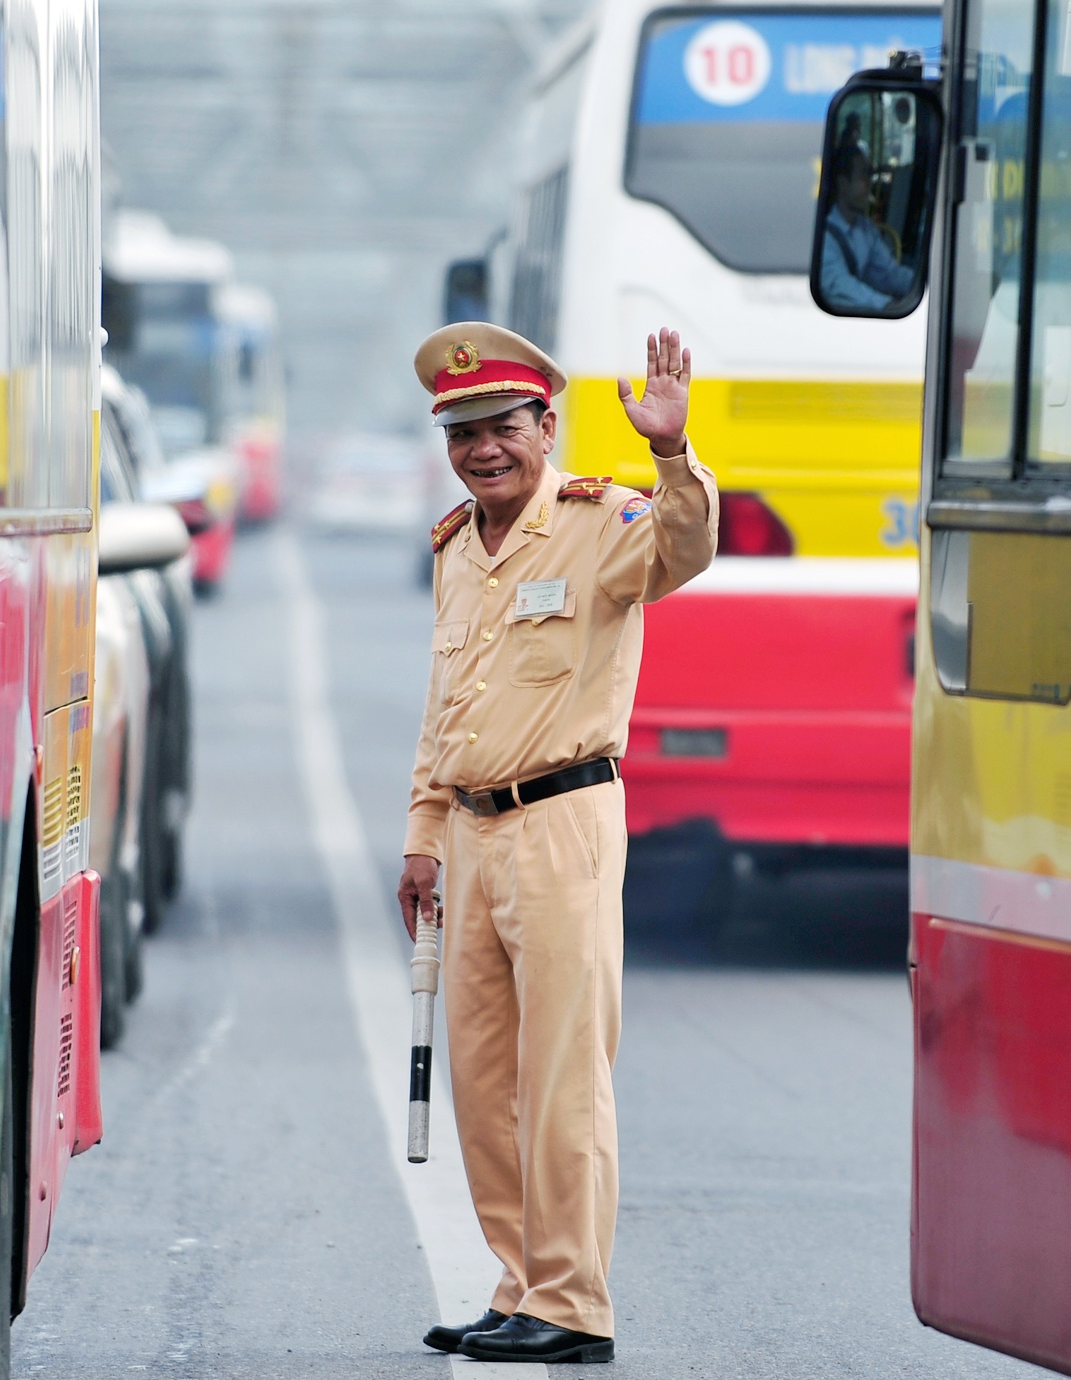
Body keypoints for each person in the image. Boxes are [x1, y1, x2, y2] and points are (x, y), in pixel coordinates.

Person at [396, 321, 717, 1363]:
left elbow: (685, 546)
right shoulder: (456, 548)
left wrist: (672, 451)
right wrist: (423, 837)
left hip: (565, 824)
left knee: (563, 1077)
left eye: (501, 429)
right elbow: (447, 709)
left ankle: (573, 1305)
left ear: (545, 426)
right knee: (485, 1084)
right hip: (475, 834)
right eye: (462, 434)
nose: (483, 451)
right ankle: (518, 1285)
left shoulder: (600, 521)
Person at [820, 146, 916, 311]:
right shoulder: (824, 237)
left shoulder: (865, 228)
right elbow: (839, 284)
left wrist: (922, 284)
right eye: (863, 176)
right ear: (843, 184)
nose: (870, 183)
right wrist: (886, 305)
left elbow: (889, 273)